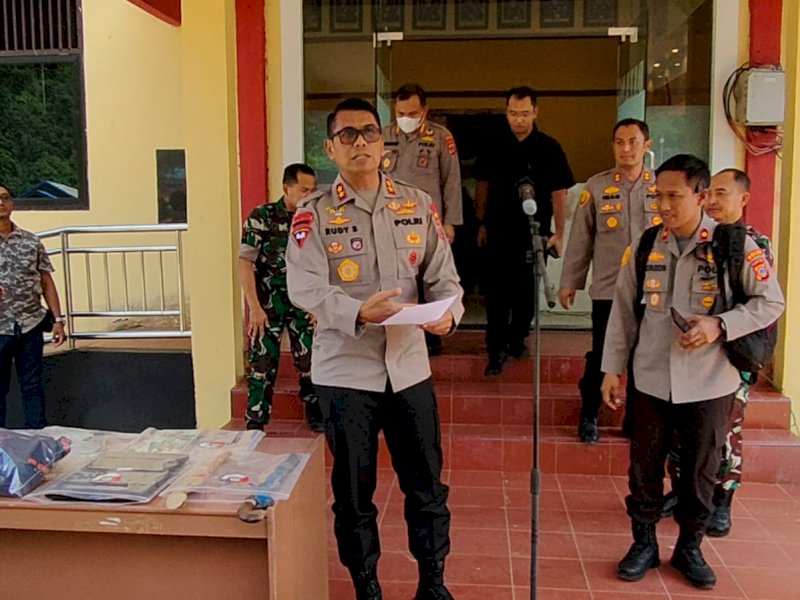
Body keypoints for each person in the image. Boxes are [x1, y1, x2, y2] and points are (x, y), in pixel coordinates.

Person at [286, 98, 464, 600]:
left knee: (427, 487)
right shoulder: (312, 214)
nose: (361, 142)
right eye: (348, 135)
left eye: (369, 132)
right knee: (354, 495)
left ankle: (433, 582)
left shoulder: (416, 203)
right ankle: (367, 587)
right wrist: (358, 312)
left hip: (409, 369)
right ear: (330, 148)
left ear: (384, 143)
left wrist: (449, 313)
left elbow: (442, 275)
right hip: (346, 374)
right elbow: (305, 287)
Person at [600, 155, 784, 590]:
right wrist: (611, 369)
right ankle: (643, 543)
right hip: (650, 379)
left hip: (709, 381)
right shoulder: (646, 245)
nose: (663, 205)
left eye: (673, 196)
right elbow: (624, 314)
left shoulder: (733, 245)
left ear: (701, 196)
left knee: (701, 471)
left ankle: (689, 547)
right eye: (657, 196)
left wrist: (719, 324)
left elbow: (770, 302)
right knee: (644, 469)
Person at [664, 168, 773, 536]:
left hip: (733, 354)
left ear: (742, 199)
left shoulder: (753, 244)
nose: (711, 201)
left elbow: (764, 302)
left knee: (726, 431)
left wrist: (723, 326)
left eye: (721, 194)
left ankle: (722, 500)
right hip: (692, 356)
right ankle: (682, 491)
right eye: (708, 193)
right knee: (682, 432)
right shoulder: (695, 239)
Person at [559, 118, 657, 444]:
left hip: (653, 290)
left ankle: (635, 419)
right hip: (609, 289)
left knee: (645, 356)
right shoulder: (597, 187)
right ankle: (589, 416)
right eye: (619, 142)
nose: (626, 149)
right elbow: (580, 239)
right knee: (603, 354)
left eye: (632, 141)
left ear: (647, 145)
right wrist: (569, 281)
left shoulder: (662, 187)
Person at [475, 86, 575, 375]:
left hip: (534, 232)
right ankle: (495, 351)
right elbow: (483, 185)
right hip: (497, 230)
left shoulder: (549, 147)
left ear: (535, 112)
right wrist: (481, 222)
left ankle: (518, 338)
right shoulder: (493, 144)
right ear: (506, 112)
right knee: (496, 296)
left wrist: (559, 232)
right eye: (512, 113)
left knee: (526, 293)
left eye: (524, 114)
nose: (518, 119)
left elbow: (560, 193)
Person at [238, 163, 323, 432]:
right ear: (286, 188)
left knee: (311, 360)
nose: (308, 195)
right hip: (268, 303)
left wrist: (320, 305)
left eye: (312, 190)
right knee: (262, 364)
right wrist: (254, 308)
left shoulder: (315, 219)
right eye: (303, 189)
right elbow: (245, 263)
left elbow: (324, 263)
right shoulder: (261, 217)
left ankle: (316, 413)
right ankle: (256, 423)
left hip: (303, 302)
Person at [382, 83, 462, 356]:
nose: (406, 118)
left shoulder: (441, 138)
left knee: (430, 276)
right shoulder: (382, 137)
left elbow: (451, 181)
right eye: (401, 112)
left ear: (424, 111)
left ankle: (431, 333)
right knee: (399, 278)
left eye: (412, 113)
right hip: (389, 220)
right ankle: (399, 328)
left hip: (427, 222)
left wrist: (450, 222)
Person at [0, 182, 66, 428]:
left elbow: (46, 280)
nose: (1, 203)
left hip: (30, 325)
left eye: (5, 198)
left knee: (32, 386)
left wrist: (58, 320)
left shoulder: (31, 242)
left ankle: (38, 443)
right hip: (0, 330)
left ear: (12, 204)